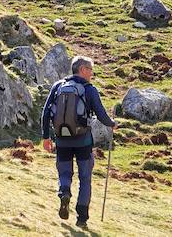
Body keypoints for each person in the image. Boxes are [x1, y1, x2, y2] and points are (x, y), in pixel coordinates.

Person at [42, 55, 116, 227]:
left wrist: (46, 137)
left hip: (61, 140)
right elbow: (101, 114)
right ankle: (81, 219)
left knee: (64, 173)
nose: (92, 74)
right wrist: (112, 124)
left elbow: (46, 113)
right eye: (90, 70)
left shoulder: (58, 86)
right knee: (85, 178)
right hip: (83, 141)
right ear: (83, 70)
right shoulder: (89, 89)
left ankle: (64, 193)